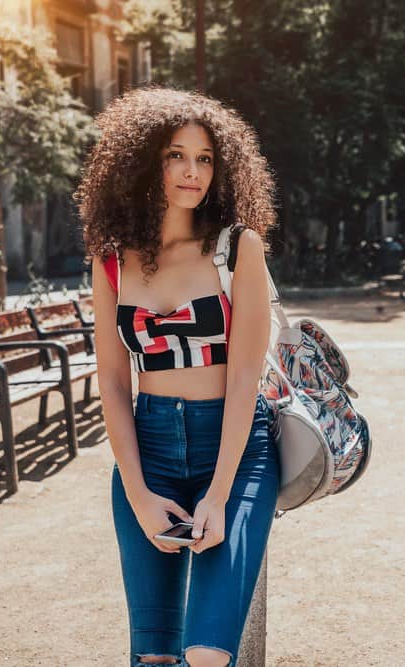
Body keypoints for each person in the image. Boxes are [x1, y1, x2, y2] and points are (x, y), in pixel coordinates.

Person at [75, 86, 280, 667]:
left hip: (236, 451)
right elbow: (113, 383)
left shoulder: (239, 248)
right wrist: (139, 494)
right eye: (176, 155)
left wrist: (218, 494)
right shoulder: (112, 257)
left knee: (207, 654)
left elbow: (245, 378)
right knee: (155, 658)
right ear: (146, 160)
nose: (193, 172)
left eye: (206, 158)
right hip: (151, 447)